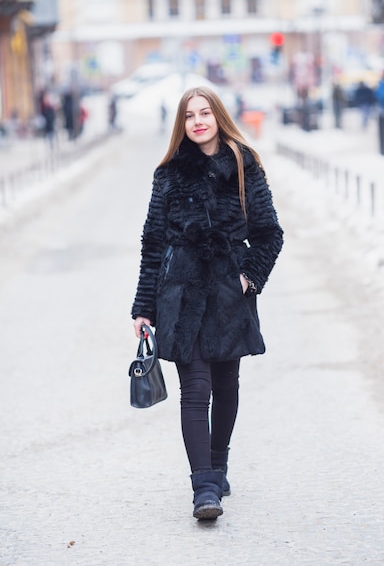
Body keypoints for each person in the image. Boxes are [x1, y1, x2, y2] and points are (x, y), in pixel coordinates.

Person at [131, 86, 284, 520]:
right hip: (178, 293)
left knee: (225, 385)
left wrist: (248, 278)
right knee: (194, 390)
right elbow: (152, 243)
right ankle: (204, 487)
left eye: (205, 113)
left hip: (226, 293)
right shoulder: (168, 174)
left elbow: (270, 233)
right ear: (180, 124)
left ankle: (219, 465)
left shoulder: (243, 165)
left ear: (218, 116)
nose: (197, 121)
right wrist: (144, 306)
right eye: (189, 116)